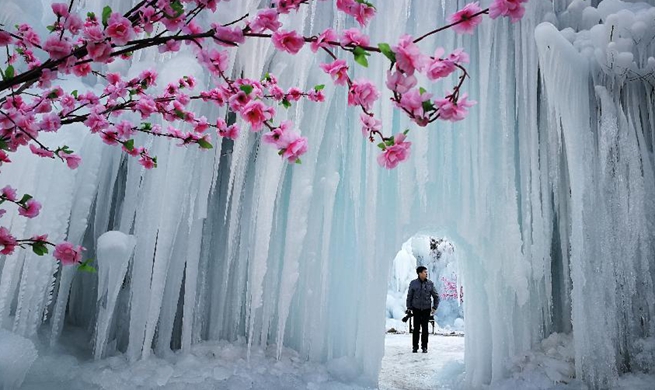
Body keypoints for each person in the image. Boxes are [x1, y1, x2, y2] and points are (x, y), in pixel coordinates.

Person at [405, 266, 440, 353]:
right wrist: (409, 307)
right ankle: (415, 347)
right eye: (424, 272)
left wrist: (434, 307)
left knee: (425, 329)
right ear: (419, 273)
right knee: (416, 328)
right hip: (416, 309)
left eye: (426, 272)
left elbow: (436, 296)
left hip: (426, 309)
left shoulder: (430, 284)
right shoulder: (413, 283)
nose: (426, 273)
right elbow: (409, 296)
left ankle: (424, 347)